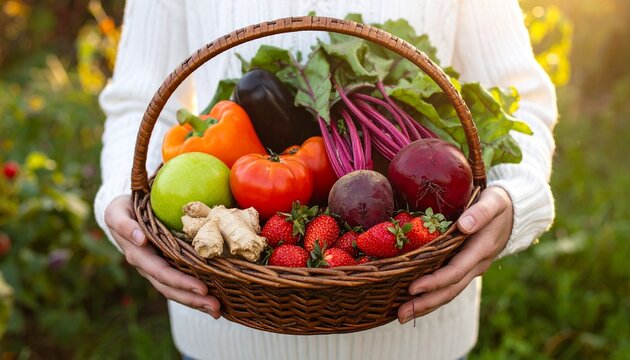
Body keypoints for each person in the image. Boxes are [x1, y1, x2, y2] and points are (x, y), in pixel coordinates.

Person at [94, 0, 557, 359]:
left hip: (419, 338)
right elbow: (137, 99)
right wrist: (124, 196)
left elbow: (520, 96)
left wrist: (517, 197)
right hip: (223, 331)